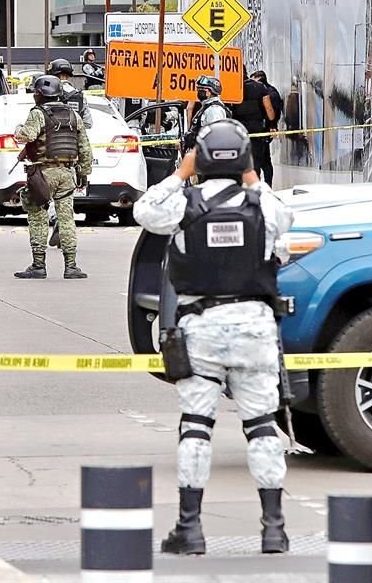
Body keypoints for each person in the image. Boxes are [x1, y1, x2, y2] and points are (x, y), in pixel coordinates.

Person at [133, 119, 294, 556]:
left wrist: (180, 174)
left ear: (200, 159)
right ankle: (274, 529)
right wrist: (253, 180)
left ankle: (190, 528)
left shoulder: (182, 205)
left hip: (199, 326)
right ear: (244, 160)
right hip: (255, 324)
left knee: (196, 427)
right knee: (262, 426)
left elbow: (143, 211)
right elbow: (286, 223)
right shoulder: (265, 207)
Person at [13, 76, 92, 280]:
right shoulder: (74, 115)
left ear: (40, 94)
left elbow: (26, 136)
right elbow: (85, 148)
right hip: (67, 173)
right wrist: (84, 172)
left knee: (38, 218)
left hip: (43, 174)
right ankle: (71, 266)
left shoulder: (38, 114)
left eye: (35, 92)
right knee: (67, 220)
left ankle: (38, 265)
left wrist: (17, 130)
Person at [231, 67, 276, 185]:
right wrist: (272, 124)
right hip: (257, 130)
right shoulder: (260, 87)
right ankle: (257, 187)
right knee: (257, 161)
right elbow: (269, 108)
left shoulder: (233, 88)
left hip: (238, 131)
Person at [183, 75, 229, 152]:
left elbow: (214, 136)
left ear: (209, 92)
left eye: (201, 89)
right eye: (198, 89)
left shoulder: (215, 110)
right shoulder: (206, 107)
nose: (199, 91)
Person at [48, 58, 93, 129]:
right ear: (68, 76)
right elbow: (88, 124)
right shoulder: (79, 95)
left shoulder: (49, 93)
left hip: (53, 138)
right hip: (74, 138)